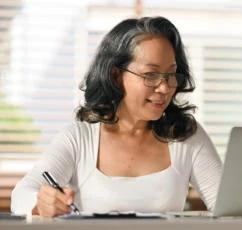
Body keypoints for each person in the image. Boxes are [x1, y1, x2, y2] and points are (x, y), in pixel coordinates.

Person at [11, 16, 222, 218]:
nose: (164, 87)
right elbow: (21, 196)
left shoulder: (185, 136)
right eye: (151, 75)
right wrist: (42, 204)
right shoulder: (79, 139)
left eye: (170, 75)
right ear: (116, 76)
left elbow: (228, 205)